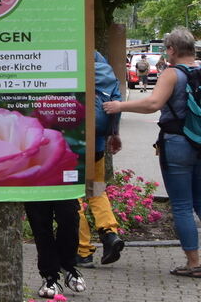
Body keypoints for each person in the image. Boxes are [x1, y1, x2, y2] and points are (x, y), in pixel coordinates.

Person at [104, 27, 201, 277]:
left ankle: (194, 263)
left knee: (181, 205)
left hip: (177, 143)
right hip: (199, 141)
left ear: (171, 49)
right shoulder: (199, 69)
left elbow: (153, 103)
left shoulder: (172, 73)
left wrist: (119, 105)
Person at [77, 51, 125, 268]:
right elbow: (116, 101)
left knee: (74, 196)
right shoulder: (101, 62)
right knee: (96, 191)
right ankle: (109, 234)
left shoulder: (69, 55)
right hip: (97, 144)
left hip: (73, 144)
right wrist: (114, 133)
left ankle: (83, 250)